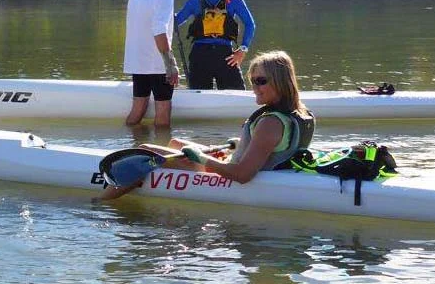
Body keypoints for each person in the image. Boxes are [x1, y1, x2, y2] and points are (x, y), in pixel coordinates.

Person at [103, 51, 315, 198]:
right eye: (252, 81)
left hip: (231, 176)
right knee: (176, 142)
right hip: (244, 164)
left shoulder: (270, 123)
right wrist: (241, 143)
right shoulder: (301, 112)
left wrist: (202, 159)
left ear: (280, 81)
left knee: (144, 151)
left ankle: (99, 204)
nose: (255, 88)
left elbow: (242, 175)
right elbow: (275, 148)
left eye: (261, 81)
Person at [122, 0, 189, 128]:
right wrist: (171, 64)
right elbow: (159, 31)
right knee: (163, 110)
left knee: (139, 107)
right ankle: (160, 148)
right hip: (158, 63)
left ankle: (131, 143)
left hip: (137, 62)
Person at [174, 0, 256, 89]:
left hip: (226, 55)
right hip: (200, 55)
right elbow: (175, 22)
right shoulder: (194, 0)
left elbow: (250, 24)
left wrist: (243, 49)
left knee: (236, 93)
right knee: (198, 95)